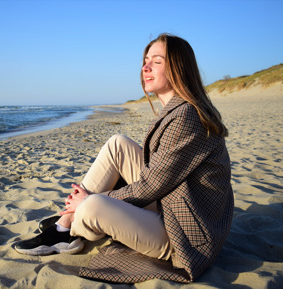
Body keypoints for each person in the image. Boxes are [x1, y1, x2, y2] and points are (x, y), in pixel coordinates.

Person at [14, 33, 234, 283]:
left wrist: (92, 198)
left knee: (92, 206)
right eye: (145, 60)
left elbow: (150, 187)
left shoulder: (186, 117)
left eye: (157, 61)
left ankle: (70, 227)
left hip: (186, 236)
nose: (146, 67)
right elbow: (156, 178)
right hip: (178, 203)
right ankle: (65, 226)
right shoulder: (179, 109)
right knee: (117, 144)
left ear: (178, 68)